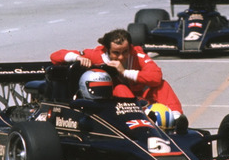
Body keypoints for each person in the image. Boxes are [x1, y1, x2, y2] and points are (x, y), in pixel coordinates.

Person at [50, 28, 183, 116]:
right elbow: (55, 56)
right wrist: (78, 58)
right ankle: (138, 118)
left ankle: (177, 119)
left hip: (141, 99)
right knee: (121, 88)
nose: (121, 57)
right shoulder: (96, 54)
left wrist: (124, 72)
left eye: (125, 52)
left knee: (162, 86)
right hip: (114, 102)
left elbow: (156, 76)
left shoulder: (137, 53)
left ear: (130, 47)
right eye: (116, 53)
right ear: (107, 49)